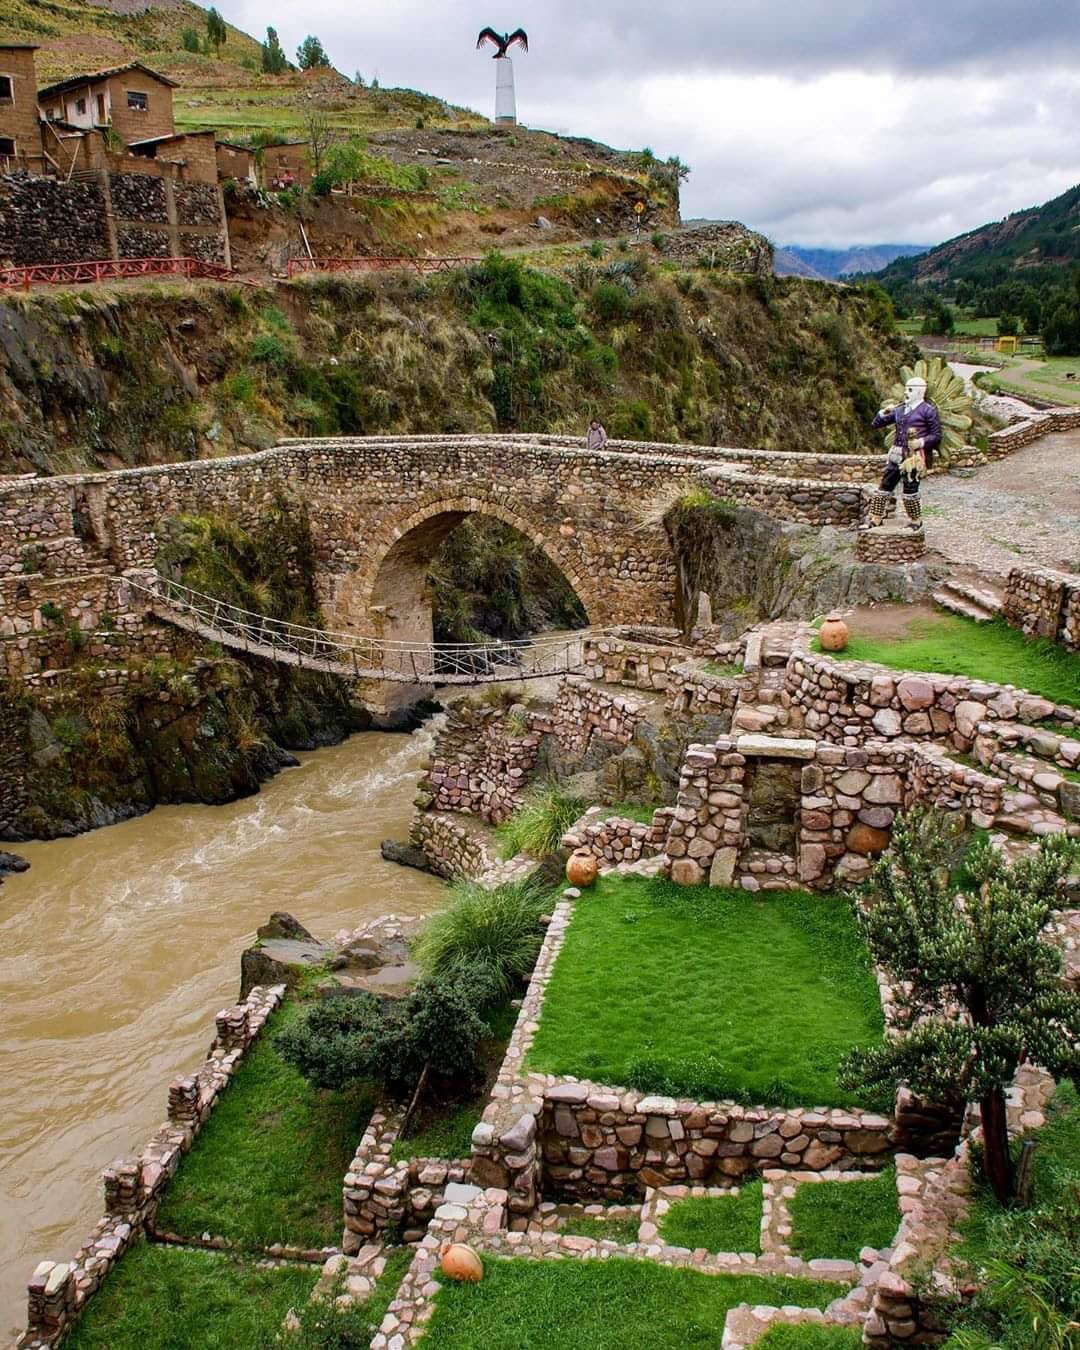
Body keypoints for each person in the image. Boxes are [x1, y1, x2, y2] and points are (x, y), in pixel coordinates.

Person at [865, 375, 941, 530]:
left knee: (910, 489)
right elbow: (876, 424)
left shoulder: (928, 411)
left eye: (910, 390)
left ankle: (916, 520)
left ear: (920, 392)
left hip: (912, 458)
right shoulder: (899, 409)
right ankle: (876, 518)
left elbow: (936, 435)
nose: (906, 393)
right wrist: (882, 413)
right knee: (885, 486)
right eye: (906, 389)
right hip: (896, 454)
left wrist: (920, 442)